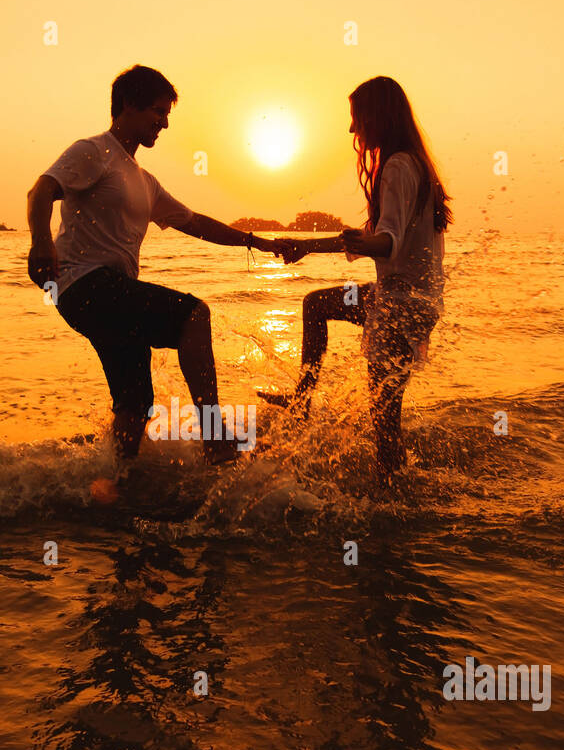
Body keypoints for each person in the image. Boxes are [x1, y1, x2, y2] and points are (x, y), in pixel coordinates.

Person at [27, 64, 281, 463]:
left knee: (135, 401)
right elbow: (40, 192)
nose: (163, 124)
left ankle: (117, 482)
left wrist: (256, 242)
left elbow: (194, 222)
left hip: (106, 295)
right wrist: (42, 244)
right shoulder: (94, 151)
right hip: (84, 284)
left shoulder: (144, 180)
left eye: (166, 115)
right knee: (193, 314)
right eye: (158, 113)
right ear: (128, 104)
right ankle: (216, 439)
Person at [262, 76, 451, 484]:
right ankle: (302, 400)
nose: (352, 130)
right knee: (317, 305)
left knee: (384, 422)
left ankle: (389, 501)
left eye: (356, 119)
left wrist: (333, 245)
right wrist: (308, 247)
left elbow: (387, 244)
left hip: (398, 307)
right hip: (411, 302)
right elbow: (374, 238)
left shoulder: (398, 166)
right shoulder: (415, 164)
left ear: (377, 116)